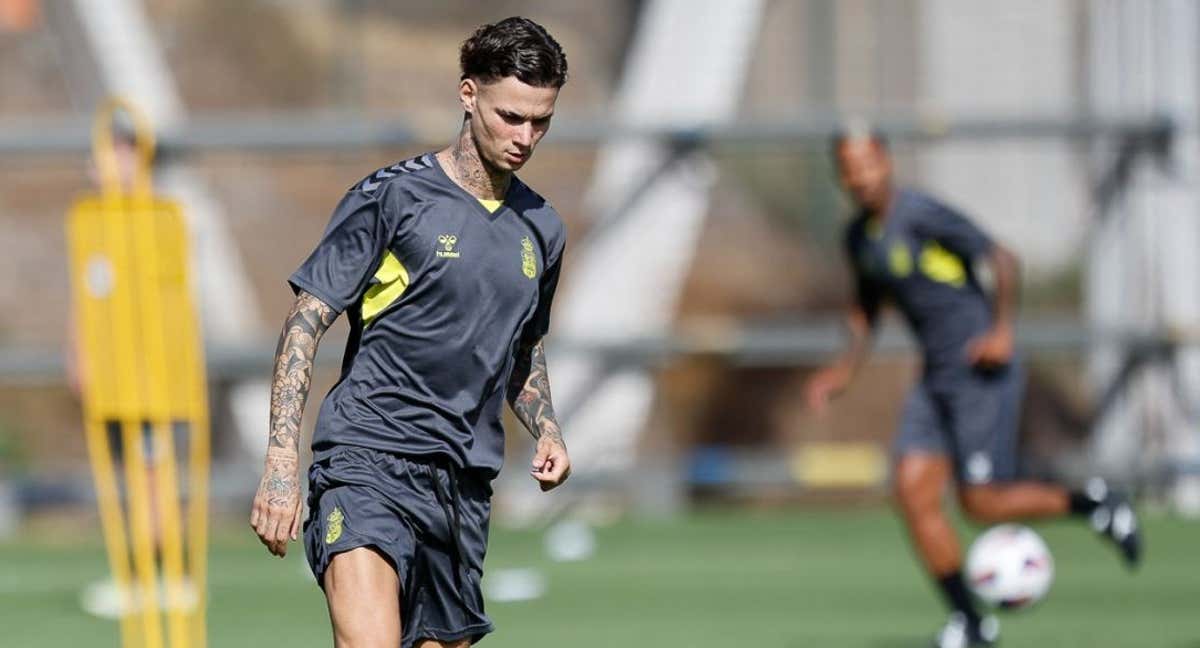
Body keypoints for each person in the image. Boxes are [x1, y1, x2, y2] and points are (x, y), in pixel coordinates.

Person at [249, 17, 570, 648]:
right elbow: (303, 325)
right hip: (366, 460)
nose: (525, 137)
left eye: (541, 122)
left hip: (463, 485)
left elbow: (524, 346)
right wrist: (282, 459)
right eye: (511, 116)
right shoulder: (392, 199)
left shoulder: (543, 227)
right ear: (468, 94)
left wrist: (548, 425)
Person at [805, 129, 1141, 648]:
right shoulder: (860, 239)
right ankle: (972, 622)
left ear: (887, 162)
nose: (861, 176)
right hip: (934, 377)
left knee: (982, 503)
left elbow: (1002, 258)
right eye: (849, 167)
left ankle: (1095, 504)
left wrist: (1001, 330)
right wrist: (844, 370)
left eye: (869, 162)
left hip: (978, 371)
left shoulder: (920, 214)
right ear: (840, 175)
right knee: (912, 491)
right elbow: (866, 305)